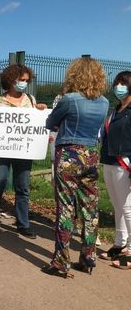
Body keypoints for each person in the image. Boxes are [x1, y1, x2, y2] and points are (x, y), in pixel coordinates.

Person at [42, 57, 108, 277]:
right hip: (91, 156)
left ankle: (61, 262)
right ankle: (88, 257)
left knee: (65, 209)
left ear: (74, 75)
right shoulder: (104, 102)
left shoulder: (69, 99)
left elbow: (49, 123)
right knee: (90, 209)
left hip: (69, 155)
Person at [0, 64, 47, 240]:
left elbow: (38, 123)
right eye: (21, 80)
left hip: (24, 151)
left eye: (26, 80)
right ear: (11, 80)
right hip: (1, 150)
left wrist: (40, 111)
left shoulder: (31, 101)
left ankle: (23, 224)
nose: (24, 83)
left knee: (23, 187)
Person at [99, 71, 131, 270]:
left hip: (125, 162)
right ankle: (120, 242)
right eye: (117, 83)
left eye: (123, 83)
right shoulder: (116, 109)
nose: (118, 87)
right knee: (116, 204)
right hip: (109, 160)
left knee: (128, 207)